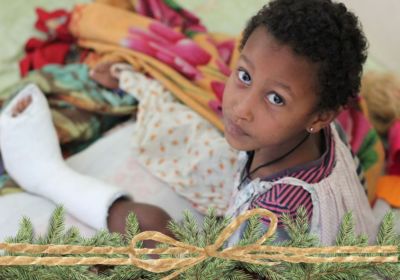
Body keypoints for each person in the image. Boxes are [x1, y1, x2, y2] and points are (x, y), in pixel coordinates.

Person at [0, 0, 378, 245]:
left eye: (275, 98)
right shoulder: (324, 134)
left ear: (320, 116)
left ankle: (46, 175)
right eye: (244, 75)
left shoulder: (276, 215)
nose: (241, 108)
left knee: (150, 227)